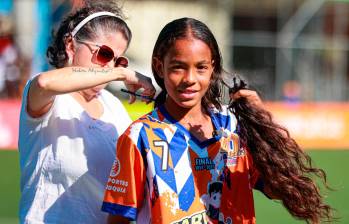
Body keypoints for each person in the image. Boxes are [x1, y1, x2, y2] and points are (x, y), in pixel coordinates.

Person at [102, 18, 332, 224]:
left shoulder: (233, 126)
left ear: (213, 68)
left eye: (201, 67)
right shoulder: (139, 136)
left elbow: (282, 189)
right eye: (178, 67)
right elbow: (118, 219)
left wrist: (265, 124)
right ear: (159, 67)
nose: (189, 79)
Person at [18, 2, 155, 223]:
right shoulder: (49, 93)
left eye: (119, 60)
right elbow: (44, 83)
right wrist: (120, 73)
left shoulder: (114, 107)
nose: (111, 67)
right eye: (104, 54)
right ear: (71, 46)